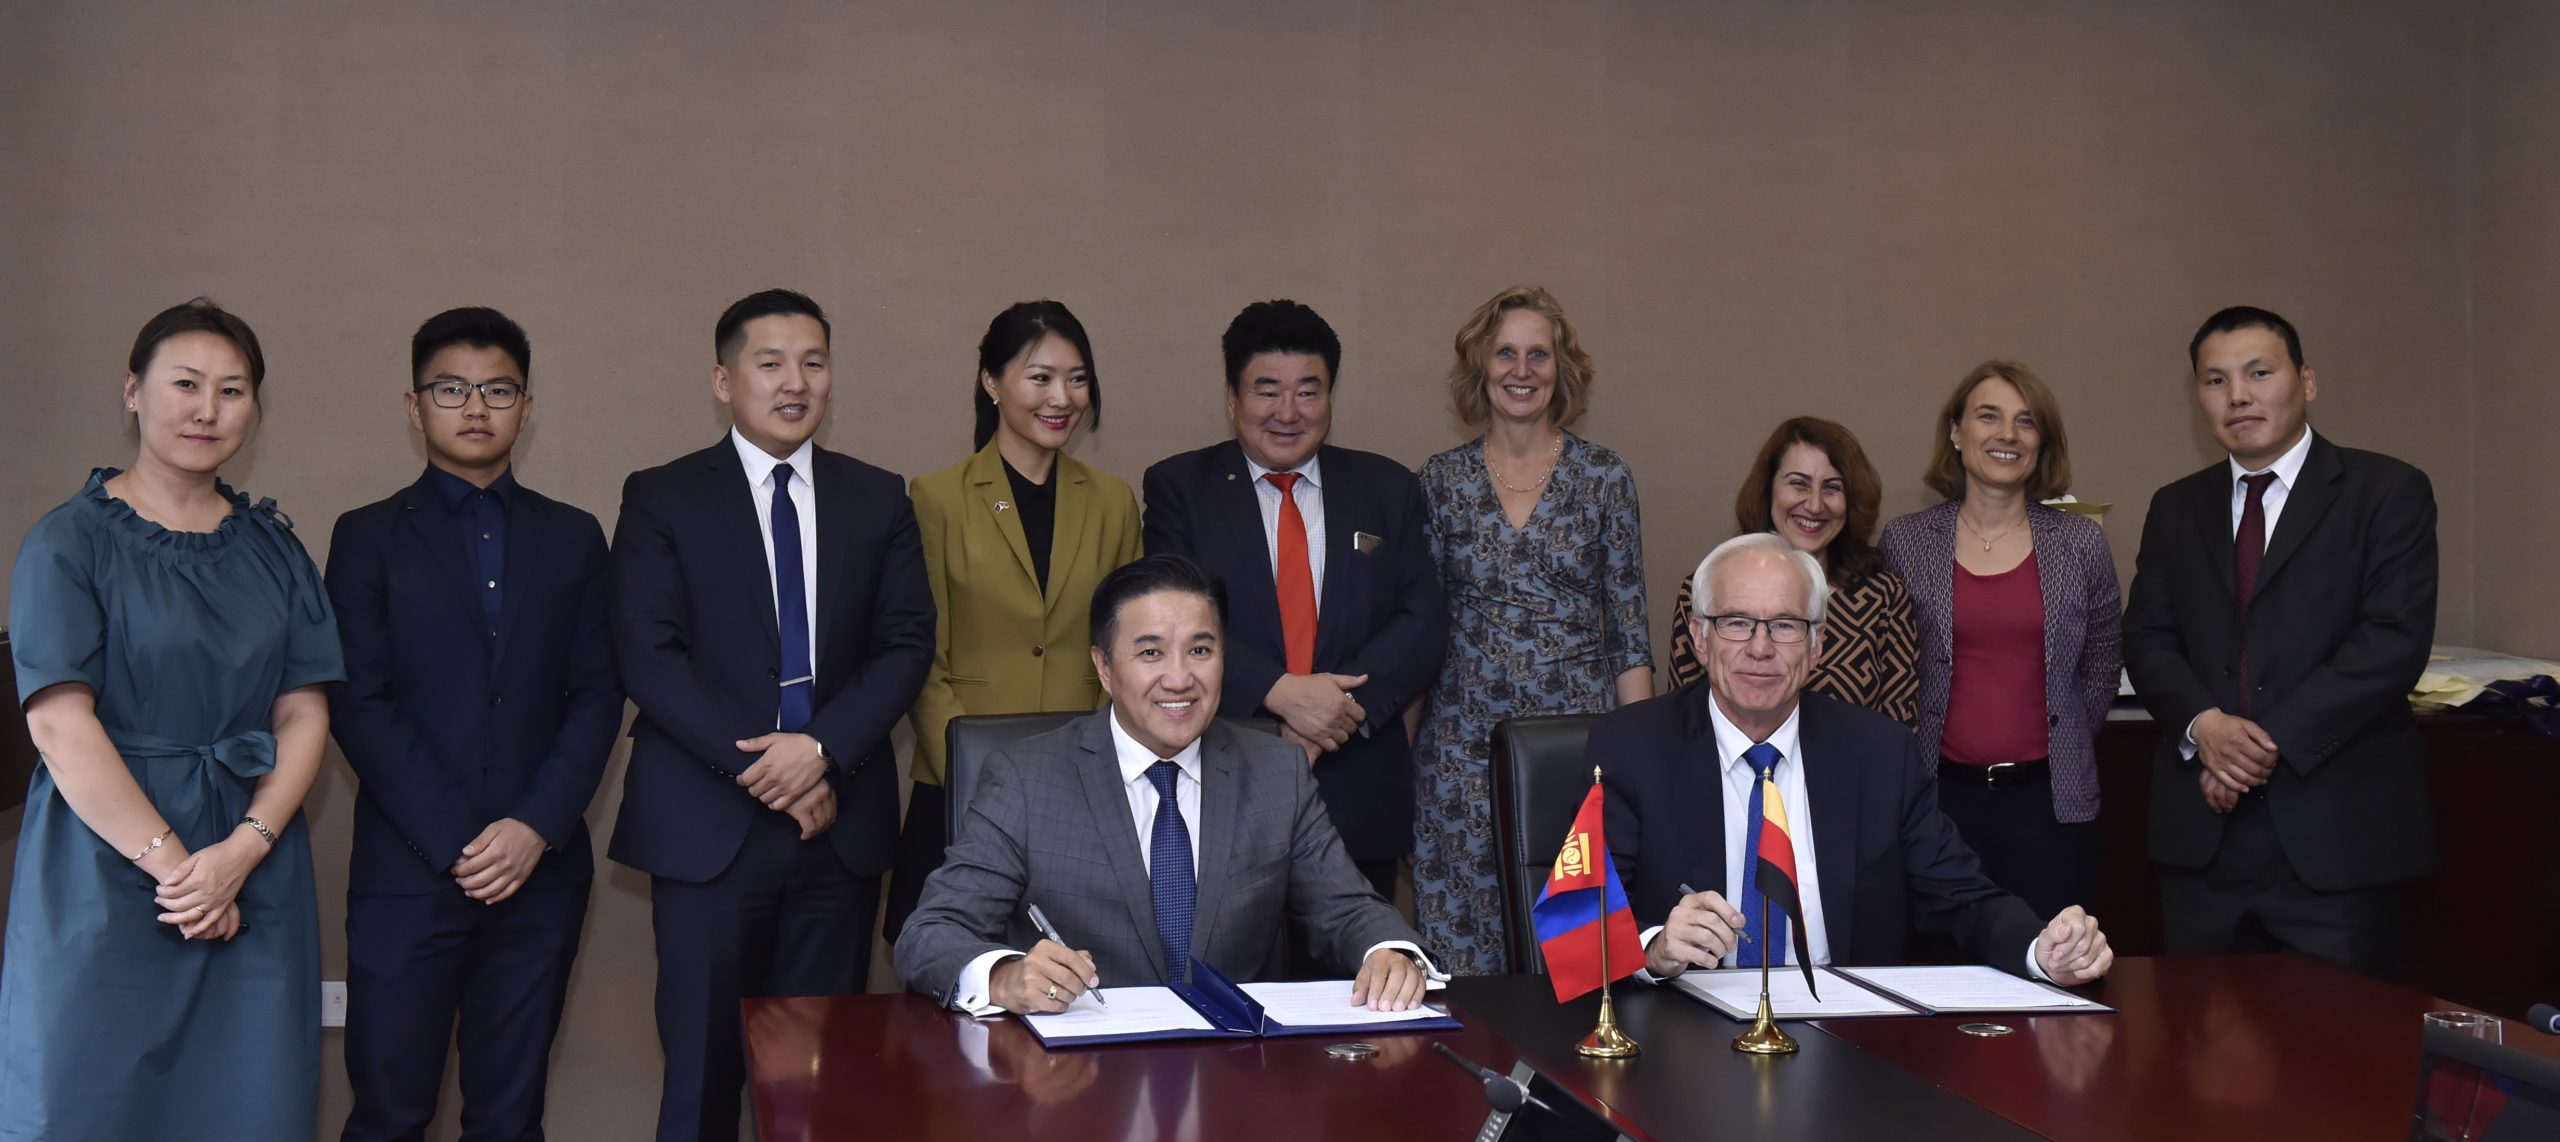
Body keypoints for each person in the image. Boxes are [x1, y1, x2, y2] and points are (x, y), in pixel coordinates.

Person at [3, 299, 342, 1137]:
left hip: (252, 860)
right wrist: (183, 873)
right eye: (185, 384)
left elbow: (304, 712)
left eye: (232, 390)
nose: (207, 409)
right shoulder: (68, 541)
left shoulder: (276, 549)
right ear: (133, 392)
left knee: (252, 1105)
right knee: (86, 1101)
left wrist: (241, 853)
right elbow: (59, 726)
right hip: (104, 857)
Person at [608, 289, 935, 1141]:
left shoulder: (878, 497)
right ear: (724, 380)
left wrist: (820, 749)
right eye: (771, 363)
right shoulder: (663, 496)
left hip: (839, 832)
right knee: (702, 1083)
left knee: (822, 1090)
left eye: (814, 363)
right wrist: (777, 768)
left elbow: (906, 645)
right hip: (708, 830)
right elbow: (650, 656)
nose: (796, 382)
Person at [895, 554, 1437, 1014]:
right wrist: (1003, 976)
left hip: (1235, 1072)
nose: (1179, 679)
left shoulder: (1277, 771)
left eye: (1200, 650)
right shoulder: (1027, 777)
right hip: (1075, 1076)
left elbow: (1348, 909)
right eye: (1150, 653)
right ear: (1104, 667)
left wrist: (1388, 952)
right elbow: (930, 933)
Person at [327, 307, 624, 1141]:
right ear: (414, 405)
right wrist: (461, 840)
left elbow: (599, 694)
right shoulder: (366, 537)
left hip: (540, 874)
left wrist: (533, 827)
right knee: (389, 1114)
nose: (475, 407)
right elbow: (359, 700)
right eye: (451, 389)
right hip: (408, 874)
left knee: (509, 1118)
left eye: (498, 390)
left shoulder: (575, 537)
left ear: (526, 408)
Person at [1595, 534, 2113, 985]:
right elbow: (1583, 913)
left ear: (1817, 644)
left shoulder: (1879, 753)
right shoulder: (1632, 747)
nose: (1760, 647)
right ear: (1700, 638)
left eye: (1785, 625)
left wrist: (2041, 950)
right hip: (1686, 1026)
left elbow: (1960, 896)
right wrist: (1653, 948)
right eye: (1736, 623)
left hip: (1846, 1033)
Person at [2123, 306, 2437, 978]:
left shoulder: (2387, 491)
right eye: (2216, 380)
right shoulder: (2176, 506)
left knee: (2342, 1040)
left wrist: (2252, 751)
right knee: (2195, 1036)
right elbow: (2147, 637)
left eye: (2259, 373)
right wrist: (2205, 727)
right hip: (2203, 840)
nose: (2237, 395)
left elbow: (2391, 643)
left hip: (2336, 838)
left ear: (2307, 382)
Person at [1140, 300, 1447, 906]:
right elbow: (1173, 620)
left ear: (1331, 395)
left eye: (1308, 391)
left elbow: (1423, 622)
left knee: (1360, 960)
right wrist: (1280, 692)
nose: (1288, 412)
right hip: (1224, 780)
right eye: (1267, 391)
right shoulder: (1181, 489)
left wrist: (1335, 711)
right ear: (1232, 397)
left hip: (1358, 791)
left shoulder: (1387, 488)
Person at [884, 300, 1143, 944]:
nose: (1062, 398)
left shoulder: (1112, 501)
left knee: (1082, 970)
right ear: (991, 382)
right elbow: (922, 656)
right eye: (1040, 377)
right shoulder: (937, 497)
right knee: (953, 966)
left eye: (1077, 379)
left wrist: (1099, 767)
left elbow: (1131, 650)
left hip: (1084, 788)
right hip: (962, 781)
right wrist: (975, 771)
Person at [1412, 285, 1650, 976]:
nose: (1522, 370)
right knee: (1465, 969)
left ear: (1561, 369)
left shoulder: (1605, 478)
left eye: (1538, 355)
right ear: (1480, 367)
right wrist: (1403, 767)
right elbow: (1419, 637)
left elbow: (1629, 633)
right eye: (1505, 353)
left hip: (1576, 755)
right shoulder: (1440, 482)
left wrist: (1641, 768)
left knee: (1577, 962)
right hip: (1460, 758)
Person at [1880, 361, 2121, 921]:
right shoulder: (1907, 541)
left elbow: (2102, 667)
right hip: (1938, 801)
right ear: (1956, 432)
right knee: (1939, 964)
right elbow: (1891, 669)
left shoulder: (2080, 543)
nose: (2007, 434)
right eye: (1989, 416)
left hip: (2051, 805)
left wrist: (2062, 744)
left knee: (2054, 959)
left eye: (2026, 421)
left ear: (2042, 442)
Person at [1667, 417, 1920, 724]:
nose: (1814, 505)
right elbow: (1682, 721)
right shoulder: (1706, 589)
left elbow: (1899, 730)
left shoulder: (1883, 599)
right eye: (1799, 484)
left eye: (1832, 488)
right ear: (1769, 489)